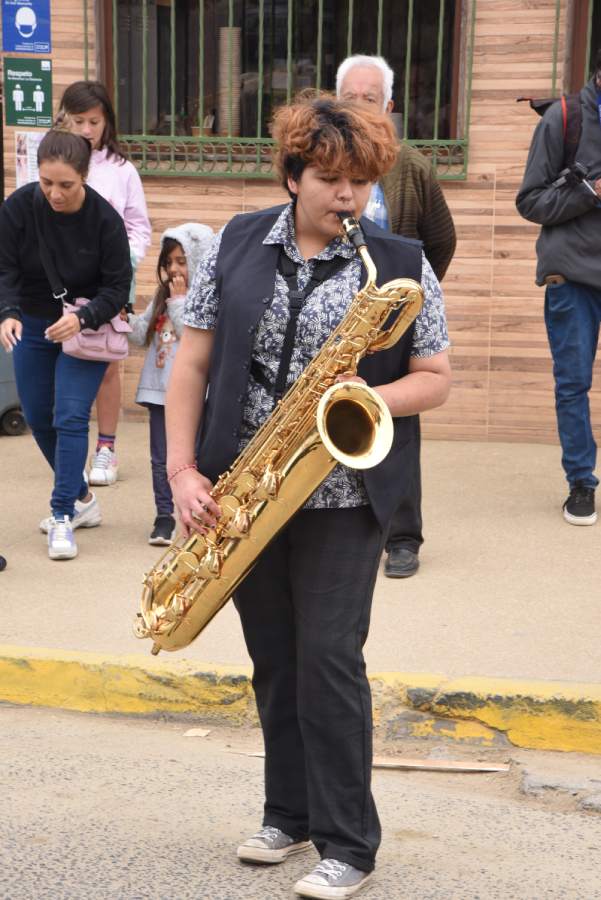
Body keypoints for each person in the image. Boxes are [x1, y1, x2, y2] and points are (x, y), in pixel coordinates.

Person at [166, 94, 451, 898]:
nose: (347, 198)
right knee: (274, 662)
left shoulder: (397, 262)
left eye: (359, 182)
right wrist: (183, 471)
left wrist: (359, 400)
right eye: (330, 179)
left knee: (327, 660)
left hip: (342, 498)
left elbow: (435, 378)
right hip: (246, 489)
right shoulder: (236, 244)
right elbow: (190, 364)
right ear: (292, 174)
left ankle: (348, 843)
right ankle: (286, 814)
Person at [337, 54, 457, 579]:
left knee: (399, 420)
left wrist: (415, 297)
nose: (360, 107)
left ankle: (403, 537)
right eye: (350, 97)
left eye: (370, 98)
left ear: (389, 106)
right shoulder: (321, 160)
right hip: (333, 317)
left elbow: (441, 239)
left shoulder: (412, 166)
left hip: (394, 320)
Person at [0, 129, 131, 559]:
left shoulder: (105, 221)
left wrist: (82, 318)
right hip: (34, 326)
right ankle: (82, 499)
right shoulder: (19, 208)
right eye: (46, 183)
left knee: (70, 416)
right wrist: (8, 312)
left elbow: (117, 288)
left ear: (84, 177)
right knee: (39, 416)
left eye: (65, 185)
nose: (55, 193)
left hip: (85, 330)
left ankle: (62, 514)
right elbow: (5, 268)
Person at [516, 53, 601, 526]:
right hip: (573, 275)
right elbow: (530, 201)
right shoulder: (562, 119)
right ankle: (581, 483)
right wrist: (590, 192)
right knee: (574, 383)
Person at [58, 80, 152, 487]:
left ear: (106, 122)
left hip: (109, 282)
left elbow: (139, 227)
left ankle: (106, 449)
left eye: (93, 121)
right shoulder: (55, 160)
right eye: (77, 120)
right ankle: (70, 451)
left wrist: (121, 260)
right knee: (61, 360)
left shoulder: (121, 169)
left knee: (108, 363)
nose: (85, 129)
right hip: (59, 282)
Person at [127, 222, 213, 545]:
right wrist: (123, 318)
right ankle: (164, 516)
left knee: (193, 457)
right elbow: (140, 335)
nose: (174, 269)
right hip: (158, 390)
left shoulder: (205, 299)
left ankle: (193, 513)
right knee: (160, 457)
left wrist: (179, 302)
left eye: (182, 261)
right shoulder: (163, 296)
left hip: (191, 396)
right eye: (169, 262)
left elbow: (190, 333)